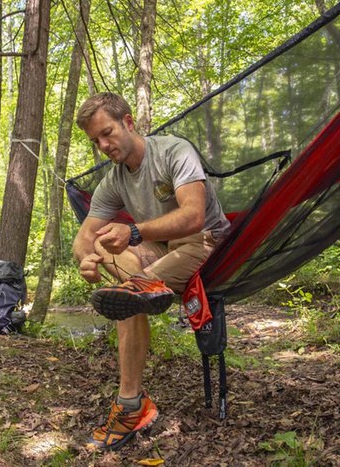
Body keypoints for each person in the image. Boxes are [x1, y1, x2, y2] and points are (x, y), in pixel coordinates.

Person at [72, 92, 230, 451]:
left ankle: (131, 407)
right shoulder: (114, 180)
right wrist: (87, 259)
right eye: (95, 141)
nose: (103, 145)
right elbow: (84, 237)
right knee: (105, 256)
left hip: (204, 240)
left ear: (128, 122)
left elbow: (192, 215)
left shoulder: (174, 151)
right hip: (158, 250)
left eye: (107, 133)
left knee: (126, 297)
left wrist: (135, 231)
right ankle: (138, 290)